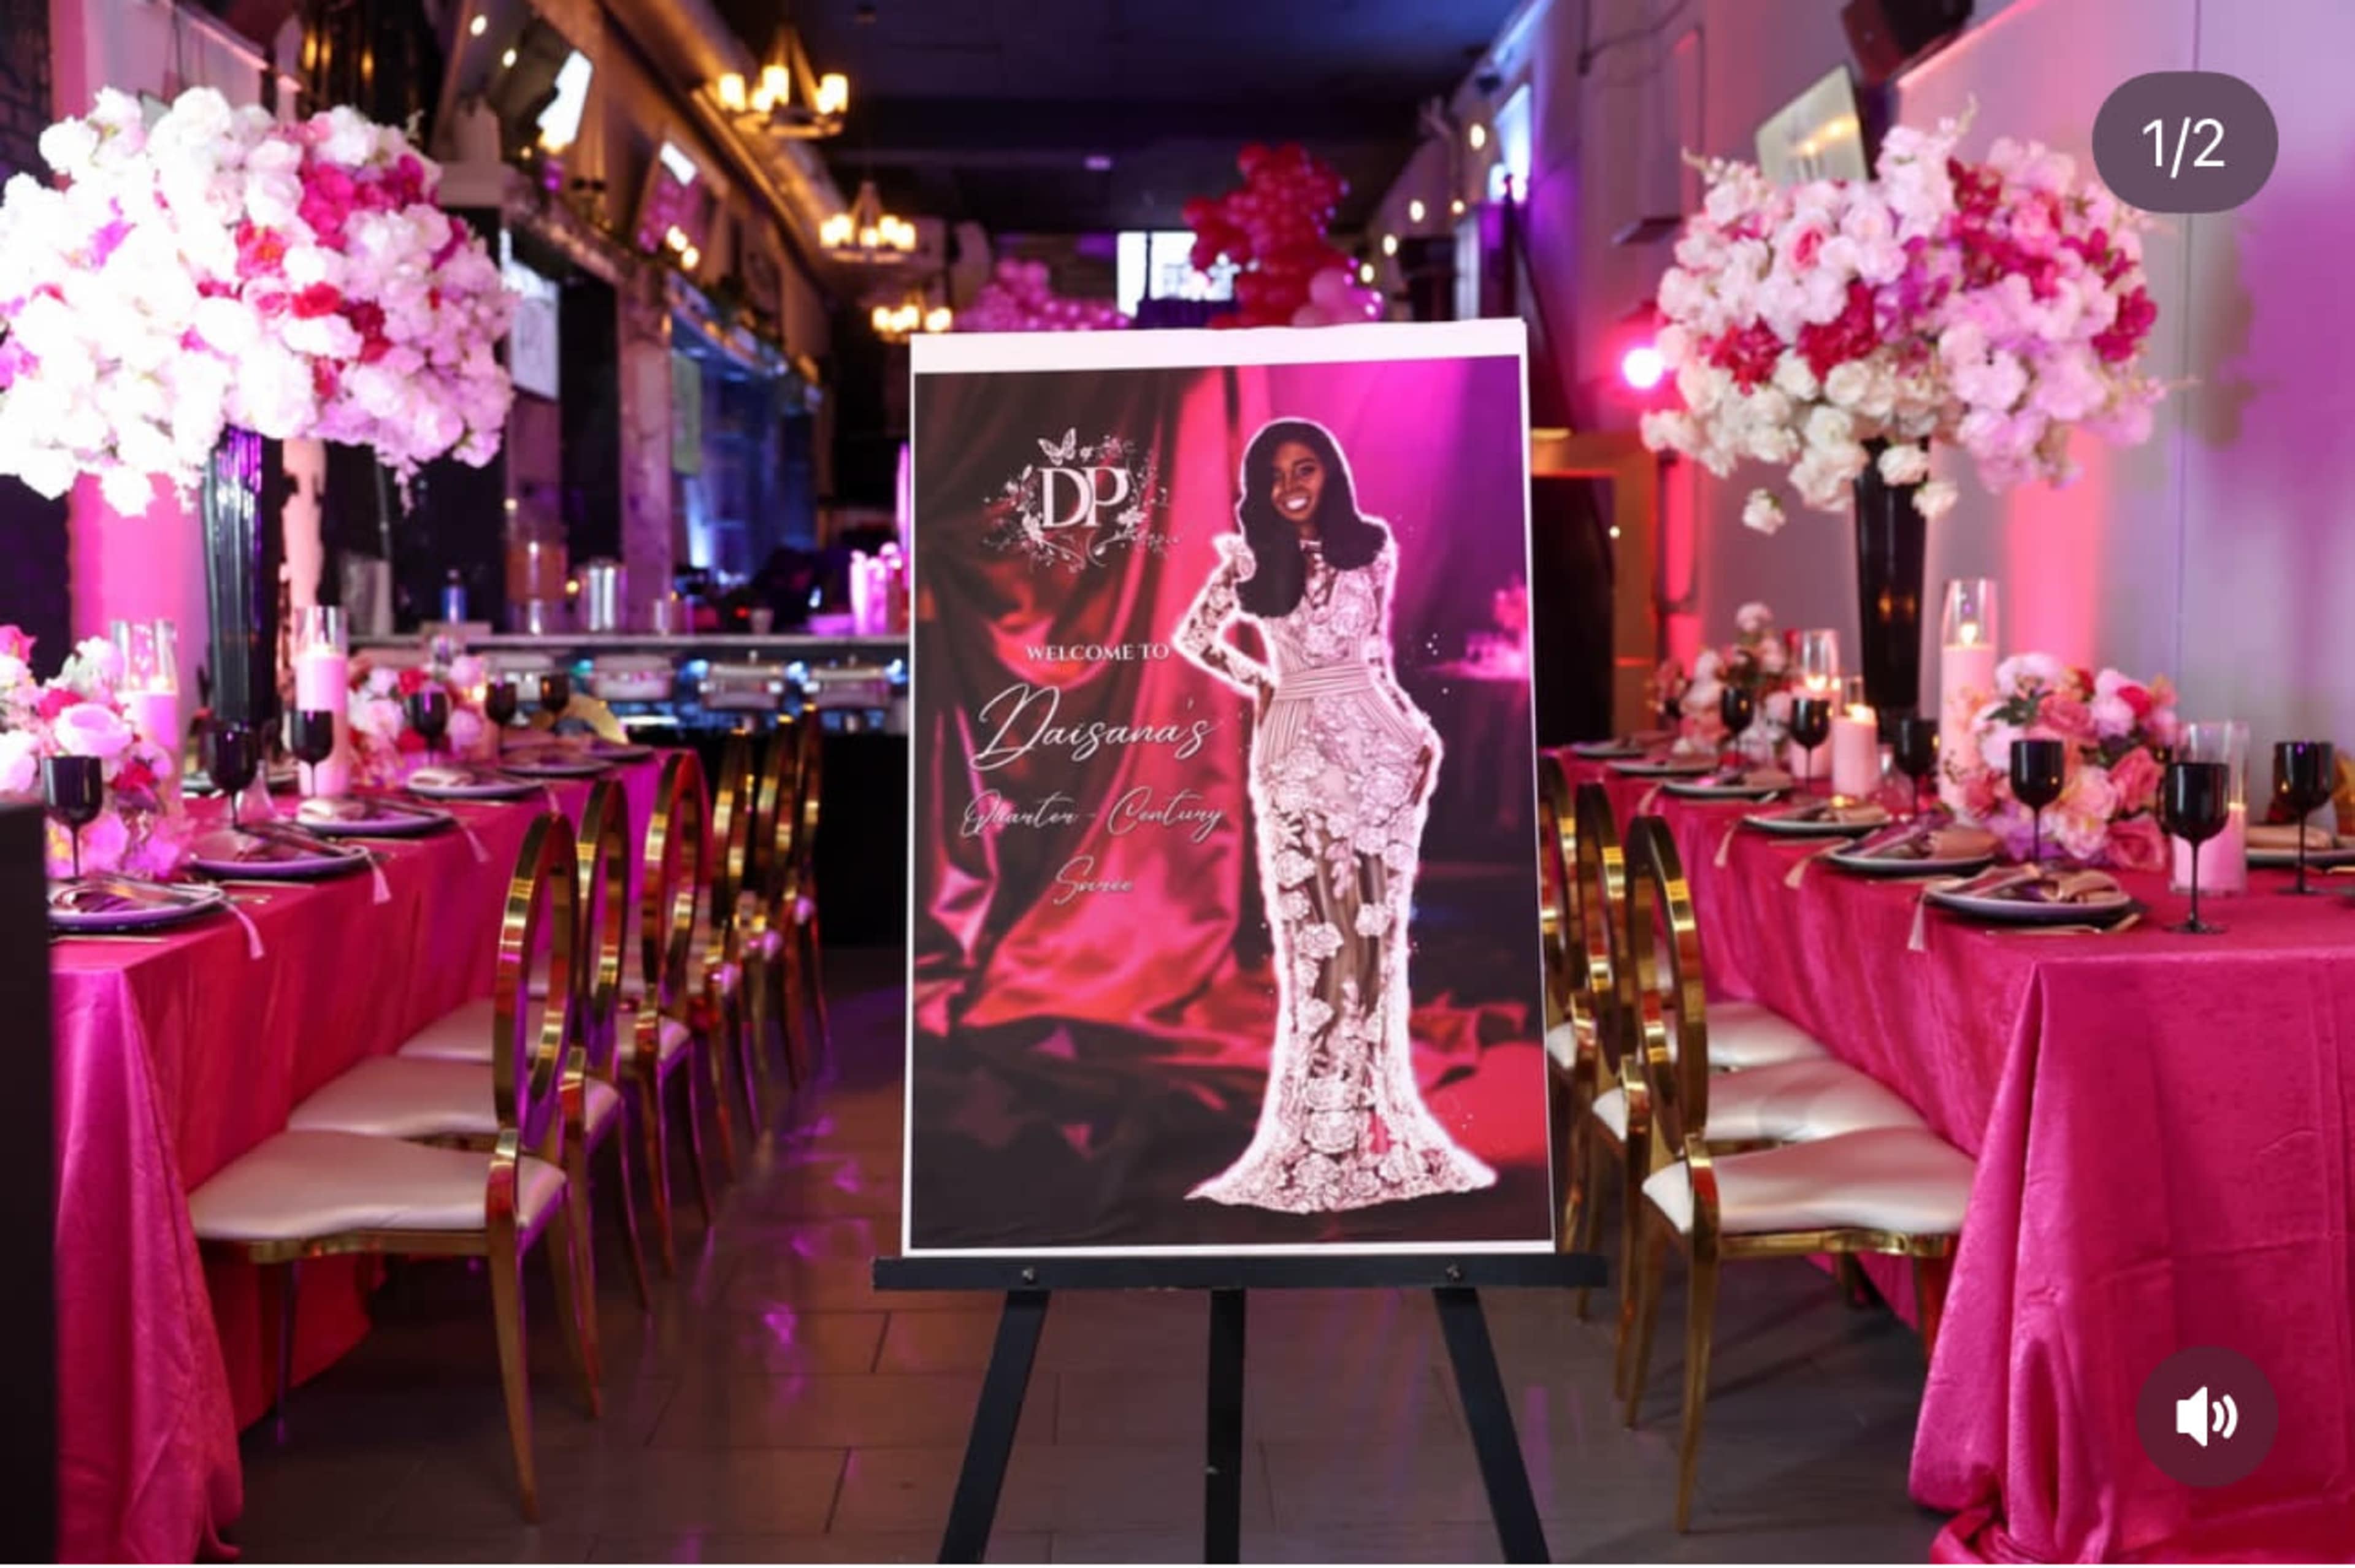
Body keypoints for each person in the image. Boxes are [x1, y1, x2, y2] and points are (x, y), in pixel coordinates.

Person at [1172, 417, 1497, 1214]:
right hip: (1295, 747)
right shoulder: (1249, 559)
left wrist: (1415, 732)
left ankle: (1365, 1120)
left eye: (1307, 468)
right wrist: (1263, 683)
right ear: (1260, 483)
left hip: (1379, 744)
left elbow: (1376, 658)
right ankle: (1317, 1129)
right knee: (1317, 942)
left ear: (1329, 474)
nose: (1292, 485)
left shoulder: (1372, 547)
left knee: (1374, 941)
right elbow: (1195, 635)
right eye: (1277, 472)